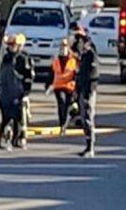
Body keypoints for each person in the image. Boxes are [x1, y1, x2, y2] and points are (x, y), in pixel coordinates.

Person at [0, 33, 34, 149]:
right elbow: (0, 76)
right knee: (5, 118)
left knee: (18, 118)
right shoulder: (5, 58)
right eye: (10, 45)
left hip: (18, 93)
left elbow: (29, 77)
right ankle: (1, 140)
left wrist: (26, 93)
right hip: (5, 93)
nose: (11, 47)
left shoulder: (24, 59)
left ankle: (17, 139)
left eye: (14, 45)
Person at [74, 27, 99, 157]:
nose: (78, 41)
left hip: (88, 90)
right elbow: (79, 74)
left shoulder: (91, 54)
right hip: (82, 89)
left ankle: (90, 147)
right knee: (83, 118)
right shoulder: (82, 55)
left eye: (80, 38)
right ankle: (87, 145)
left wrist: (88, 91)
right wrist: (77, 90)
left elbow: (93, 75)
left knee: (88, 117)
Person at [46, 38, 78, 135]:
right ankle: (62, 125)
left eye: (65, 47)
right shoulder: (56, 61)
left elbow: (77, 74)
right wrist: (48, 85)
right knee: (61, 103)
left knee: (68, 106)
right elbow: (51, 74)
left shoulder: (74, 60)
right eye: (61, 47)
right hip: (59, 87)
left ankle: (65, 123)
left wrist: (77, 86)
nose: (62, 49)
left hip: (70, 87)